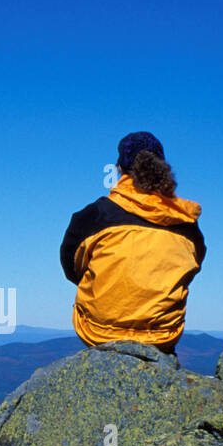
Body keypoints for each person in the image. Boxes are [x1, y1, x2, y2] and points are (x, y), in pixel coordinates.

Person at [59, 131, 206, 354]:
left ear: (120, 168)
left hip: (98, 332)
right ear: (161, 168)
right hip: (163, 334)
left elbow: (72, 269)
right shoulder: (187, 224)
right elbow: (193, 268)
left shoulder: (94, 216)